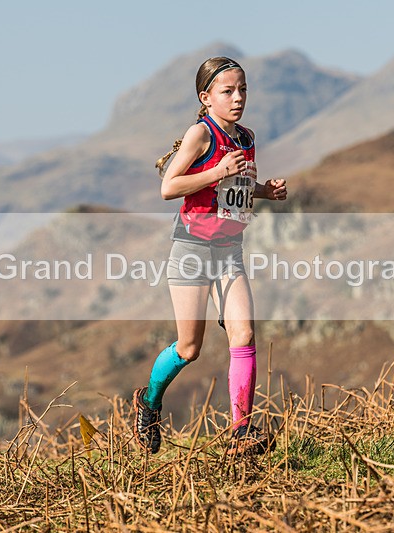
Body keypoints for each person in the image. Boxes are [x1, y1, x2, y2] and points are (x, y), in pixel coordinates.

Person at [132, 56, 287, 456]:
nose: (238, 98)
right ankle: (148, 403)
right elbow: (169, 187)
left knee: (245, 334)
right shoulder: (201, 134)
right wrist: (217, 170)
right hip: (192, 248)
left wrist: (266, 191)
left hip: (229, 250)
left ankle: (240, 434)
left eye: (243, 90)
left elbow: (234, 194)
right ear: (206, 97)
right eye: (228, 91)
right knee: (189, 348)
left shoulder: (247, 138)